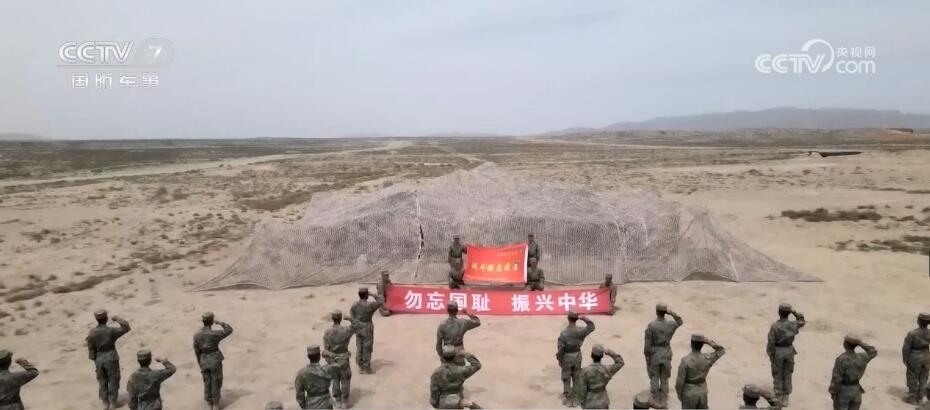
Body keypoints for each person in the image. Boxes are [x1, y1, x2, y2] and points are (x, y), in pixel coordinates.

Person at [86, 309, 131, 410]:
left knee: (102, 381)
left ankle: (105, 402)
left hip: (99, 359)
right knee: (113, 380)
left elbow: (91, 349)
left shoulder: (92, 332)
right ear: (106, 318)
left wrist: (95, 360)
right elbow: (126, 327)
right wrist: (117, 319)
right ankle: (113, 402)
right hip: (111, 357)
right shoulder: (111, 331)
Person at [644, 303, 683, 407]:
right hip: (666, 353)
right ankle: (664, 399)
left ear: (656, 312)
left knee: (654, 377)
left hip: (655, 354)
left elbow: (647, 346)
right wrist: (672, 313)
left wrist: (647, 358)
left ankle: (655, 398)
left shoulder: (651, 326)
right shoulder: (670, 324)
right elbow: (680, 321)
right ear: (665, 313)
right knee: (665, 378)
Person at [193, 312, 234, 410]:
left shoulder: (197, 335)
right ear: (212, 321)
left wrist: (200, 363)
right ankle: (215, 404)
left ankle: (209, 403)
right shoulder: (215, 334)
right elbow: (229, 330)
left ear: (203, 321)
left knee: (207, 382)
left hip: (203, 360)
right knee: (216, 381)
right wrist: (220, 323)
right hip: (215, 359)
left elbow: (197, 351)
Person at [767, 303, 805, 406]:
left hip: (778, 351)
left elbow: (771, 341)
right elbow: (802, 321)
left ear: (779, 312)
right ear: (789, 313)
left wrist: (771, 354)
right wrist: (794, 312)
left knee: (777, 373)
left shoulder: (775, 326)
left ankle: (778, 396)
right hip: (789, 350)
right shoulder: (793, 324)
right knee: (788, 373)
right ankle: (786, 397)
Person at [675, 334, 726, 409]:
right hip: (702, 392)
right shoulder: (707, 358)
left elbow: (679, 382)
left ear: (691, 344)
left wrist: (679, 395)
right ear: (702, 345)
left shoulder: (685, 360)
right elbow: (722, 350)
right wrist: (709, 342)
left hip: (689, 393)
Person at [556, 312, 596, 406]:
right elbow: (591, 327)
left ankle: (568, 398)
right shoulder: (581, 331)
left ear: (568, 318)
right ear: (576, 319)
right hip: (577, 355)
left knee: (566, 377)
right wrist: (585, 319)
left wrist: (559, 359)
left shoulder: (564, 333)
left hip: (567, 357)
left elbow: (561, 349)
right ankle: (577, 397)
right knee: (577, 376)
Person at [830, 334, 877, 410]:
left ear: (845, 344)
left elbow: (837, 378)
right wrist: (860, 343)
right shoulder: (862, 357)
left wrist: (833, 392)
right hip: (856, 392)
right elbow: (873, 351)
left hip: (843, 393)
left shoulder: (841, 359)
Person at [575, 344, 625, 409]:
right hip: (603, 402)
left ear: (591, 355)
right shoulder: (607, 369)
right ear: (602, 356)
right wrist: (610, 353)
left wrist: (581, 400)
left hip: (589, 403)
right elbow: (620, 363)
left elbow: (582, 389)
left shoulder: (585, 371)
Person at [323, 310, 355, 409]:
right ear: (340, 319)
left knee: (335, 379)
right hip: (344, 358)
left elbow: (326, 348)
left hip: (333, 359)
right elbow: (356, 325)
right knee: (345, 380)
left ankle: (337, 400)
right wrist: (350, 318)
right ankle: (345, 401)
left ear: (332, 319)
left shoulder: (328, 332)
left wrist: (328, 360)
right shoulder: (346, 330)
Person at [349, 287, 384, 374]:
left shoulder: (355, 304)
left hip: (358, 327)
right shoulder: (369, 305)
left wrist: (355, 323)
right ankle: (367, 368)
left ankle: (360, 366)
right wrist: (373, 294)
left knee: (359, 346)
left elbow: (351, 314)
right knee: (367, 348)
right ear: (366, 295)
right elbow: (381, 300)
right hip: (367, 327)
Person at [903, 312, 930, 404]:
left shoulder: (912, 333)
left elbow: (906, 348)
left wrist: (905, 359)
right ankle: (920, 397)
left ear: (918, 321)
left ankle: (912, 397)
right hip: (926, 356)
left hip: (914, 356)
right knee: (924, 377)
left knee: (912, 377)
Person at [296, 345, 334, 409]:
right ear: (319, 356)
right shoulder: (327, 370)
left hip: (311, 405)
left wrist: (303, 405)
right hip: (326, 404)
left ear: (308, 356)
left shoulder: (302, 373)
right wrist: (331, 355)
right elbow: (339, 365)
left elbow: (299, 394)